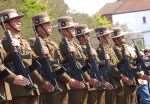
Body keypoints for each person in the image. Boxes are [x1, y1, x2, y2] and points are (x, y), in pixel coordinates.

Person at [30, 13, 84, 104]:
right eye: (47, 24)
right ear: (39, 27)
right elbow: (53, 65)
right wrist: (69, 79)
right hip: (50, 86)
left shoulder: (53, 43)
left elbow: (61, 63)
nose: (50, 27)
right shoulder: (35, 42)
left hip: (61, 84)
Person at [0, 9, 51, 104]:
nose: (19, 22)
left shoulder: (24, 42)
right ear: (6, 25)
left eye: (18, 19)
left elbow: (32, 65)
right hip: (17, 92)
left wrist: (42, 81)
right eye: (15, 20)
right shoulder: (3, 43)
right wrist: (13, 78)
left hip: (32, 88)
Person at [75, 24, 113, 104]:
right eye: (87, 34)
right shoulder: (79, 50)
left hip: (99, 83)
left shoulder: (92, 49)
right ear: (81, 37)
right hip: (90, 84)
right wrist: (88, 60)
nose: (89, 36)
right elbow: (81, 67)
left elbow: (98, 66)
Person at [58, 16, 89, 104]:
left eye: (73, 28)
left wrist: (88, 78)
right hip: (74, 81)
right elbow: (64, 64)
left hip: (81, 79)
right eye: (71, 29)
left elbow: (81, 63)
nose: (74, 31)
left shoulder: (75, 44)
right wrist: (70, 80)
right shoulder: (63, 44)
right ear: (64, 31)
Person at [95, 27, 123, 104]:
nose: (109, 37)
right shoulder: (99, 50)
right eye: (106, 35)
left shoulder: (110, 48)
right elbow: (99, 69)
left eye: (108, 35)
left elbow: (115, 64)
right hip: (109, 83)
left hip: (116, 81)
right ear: (101, 37)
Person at [112, 27, 138, 104]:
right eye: (121, 37)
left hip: (132, 80)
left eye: (123, 36)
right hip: (123, 82)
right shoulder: (113, 50)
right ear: (116, 39)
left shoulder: (127, 48)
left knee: (133, 101)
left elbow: (133, 62)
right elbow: (114, 67)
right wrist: (124, 77)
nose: (123, 38)